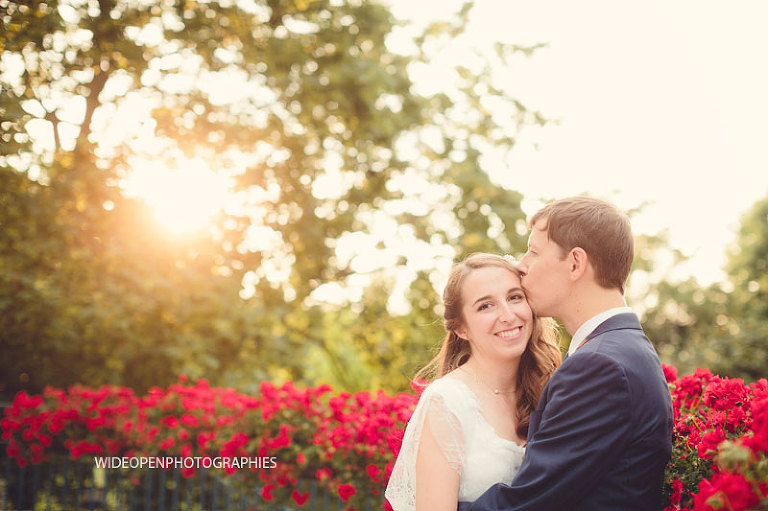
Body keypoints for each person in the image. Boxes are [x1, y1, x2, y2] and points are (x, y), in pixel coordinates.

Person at [460, 197, 674, 511]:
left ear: (575, 263)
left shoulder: (600, 366)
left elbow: (528, 503)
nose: (521, 265)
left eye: (533, 252)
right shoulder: (620, 350)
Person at [385, 253, 561, 511]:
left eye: (514, 297)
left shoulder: (551, 388)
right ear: (461, 328)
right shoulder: (446, 402)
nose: (507, 315)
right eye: (485, 306)